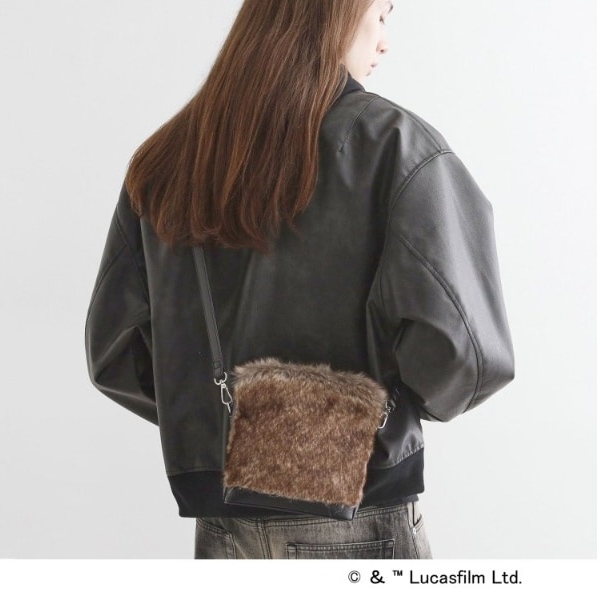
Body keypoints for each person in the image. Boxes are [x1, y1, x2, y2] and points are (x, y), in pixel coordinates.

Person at [84, 0, 515, 559]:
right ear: (338, 12)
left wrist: (235, 430)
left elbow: (116, 351)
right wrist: (371, 414)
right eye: (383, 14)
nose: (385, 41)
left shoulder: (170, 155)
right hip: (357, 513)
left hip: (221, 523)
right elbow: (468, 355)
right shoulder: (394, 145)